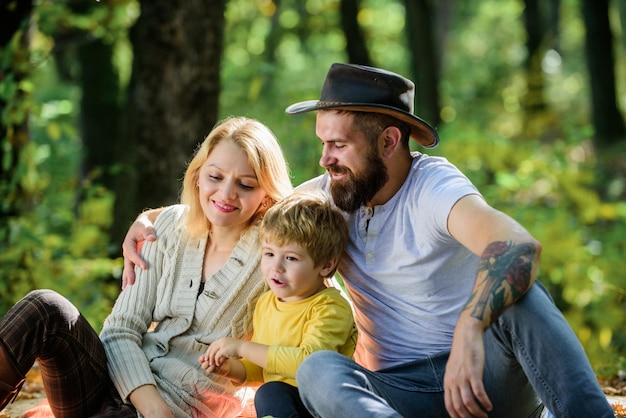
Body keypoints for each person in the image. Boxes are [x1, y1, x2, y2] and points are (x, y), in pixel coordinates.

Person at [120, 64, 614, 418]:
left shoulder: (434, 188)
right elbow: (243, 203)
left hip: (481, 379)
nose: (324, 160)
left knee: (521, 295)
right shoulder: (330, 195)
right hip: (386, 394)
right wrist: (149, 218)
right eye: (321, 143)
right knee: (314, 373)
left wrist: (470, 327)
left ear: (389, 143)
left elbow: (516, 244)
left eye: (338, 145)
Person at [0, 116, 292, 418]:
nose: (227, 193)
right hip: (112, 383)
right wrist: (154, 409)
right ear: (198, 176)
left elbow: (323, 305)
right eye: (215, 177)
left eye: (245, 185)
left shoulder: (277, 257)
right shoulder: (169, 227)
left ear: (266, 194)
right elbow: (121, 329)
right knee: (44, 307)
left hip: (182, 405)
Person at [198, 191, 357, 418]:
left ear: (325, 265)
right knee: (268, 391)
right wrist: (231, 369)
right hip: (284, 401)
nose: (276, 267)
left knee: (270, 393)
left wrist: (242, 347)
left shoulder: (330, 307)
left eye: (291, 258)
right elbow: (264, 368)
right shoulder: (266, 304)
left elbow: (308, 365)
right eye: (269, 253)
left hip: (326, 406)